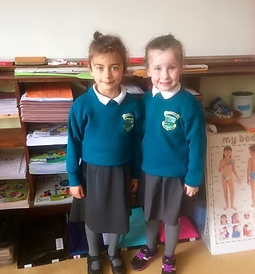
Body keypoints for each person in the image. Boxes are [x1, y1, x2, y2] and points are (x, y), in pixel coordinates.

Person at [130, 34, 206, 274]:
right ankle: (150, 247)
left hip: (175, 175)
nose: (165, 76)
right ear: (147, 70)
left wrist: (193, 178)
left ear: (181, 67)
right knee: (150, 215)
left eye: (172, 67)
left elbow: (198, 143)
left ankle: (170, 256)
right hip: (149, 172)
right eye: (158, 68)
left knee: (172, 218)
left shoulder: (188, 104)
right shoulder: (146, 100)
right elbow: (139, 137)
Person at [66, 31, 142, 274]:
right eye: (100, 68)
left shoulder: (133, 105)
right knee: (93, 218)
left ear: (124, 69)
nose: (107, 75)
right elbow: (73, 143)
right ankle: (93, 255)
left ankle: (113, 252)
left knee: (119, 217)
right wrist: (74, 179)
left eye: (114, 67)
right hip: (92, 173)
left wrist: (136, 174)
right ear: (90, 69)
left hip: (122, 171)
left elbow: (137, 143)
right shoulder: (82, 105)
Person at [219, 145, 241, 210]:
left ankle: (232, 205)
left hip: (230, 177)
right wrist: (222, 165)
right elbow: (219, 170)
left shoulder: (232, 160)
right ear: (223, 152)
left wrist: (237, 177)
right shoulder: (222, 160)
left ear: (231, 153)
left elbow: (234, 170)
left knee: (232, 191)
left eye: (229, 152)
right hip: (223, 177)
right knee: (225, 191)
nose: (228, 153)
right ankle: (227, 205)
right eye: (226, 152)